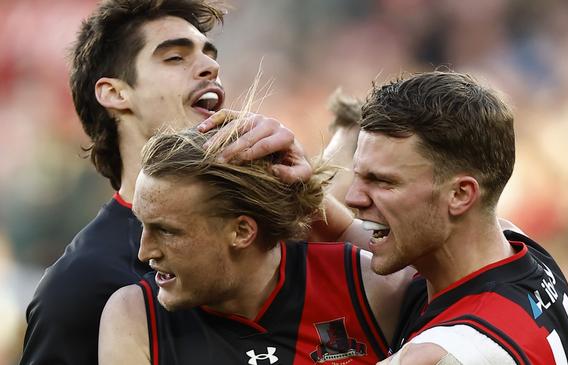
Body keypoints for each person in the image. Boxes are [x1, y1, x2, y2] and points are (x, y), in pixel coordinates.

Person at [20, 1, 333, 363]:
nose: (212, 67)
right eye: (175, 58)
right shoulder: (82, 285)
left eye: (209, 54)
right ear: (115, 93)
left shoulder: (275, 226)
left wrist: (305, 184)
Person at [98, 125, 412, 364]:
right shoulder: (134, 315)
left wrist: (311, 194)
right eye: (142, 225)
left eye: (166, 231)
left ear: (242, 231)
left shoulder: (365, 284)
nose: (145, 252)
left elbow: (454, 279)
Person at [343, 71, 568, 364]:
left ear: (460, 195)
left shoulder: (440, 356)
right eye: (358, 176)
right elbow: (346, 231)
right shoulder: (528, 254)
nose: (352, 197)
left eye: (382, 181)